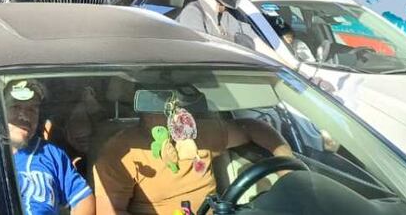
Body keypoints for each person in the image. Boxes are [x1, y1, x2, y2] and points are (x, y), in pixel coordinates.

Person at [93, 87, 292, 215]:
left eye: (175, 107)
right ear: (142, 111)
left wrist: (290, 170)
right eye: (159, 108)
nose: (174, 115)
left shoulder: (196, 132)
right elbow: (110, 211)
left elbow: (251, 127)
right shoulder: (121, 151)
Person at [0, 80, 95, 215]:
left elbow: (83, 198)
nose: (25, 116)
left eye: (32, 109)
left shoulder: (51, 153)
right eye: (15, 107)